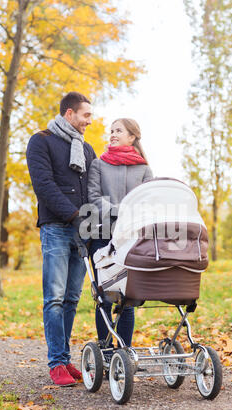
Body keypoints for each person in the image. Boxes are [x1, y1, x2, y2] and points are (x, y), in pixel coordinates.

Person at [26, 91, 96, 386]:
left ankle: (65, 360)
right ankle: (56, 363)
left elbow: (93, 189)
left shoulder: (87, 149)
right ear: (70, 114)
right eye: (86, 115)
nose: (89, 122)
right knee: (54, 298)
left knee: (71, 298)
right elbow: (44, 186)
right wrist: (74, 215)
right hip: (55, 227)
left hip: (83, 230)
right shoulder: (40, 141)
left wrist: (92, 221)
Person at [88, 118, 153, 351]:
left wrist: (132, 220)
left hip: (132, 239)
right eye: (111, 131)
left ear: (132, 137)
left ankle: (124, 352)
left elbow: (148, 202)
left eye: (118, 131)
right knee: (104, 296)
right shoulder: (98, 164)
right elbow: (94, 198)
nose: (113, 134)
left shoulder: (144, 168)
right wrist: (120, 213)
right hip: (104, 235)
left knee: (128, 297)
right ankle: (104, 351)